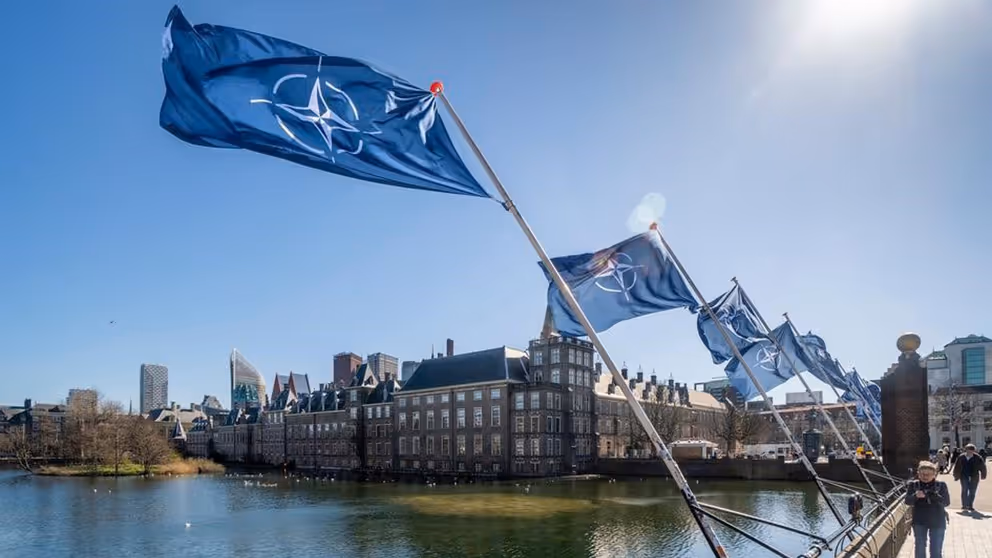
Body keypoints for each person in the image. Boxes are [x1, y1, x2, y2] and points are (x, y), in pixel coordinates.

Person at [905, 461, 949, 558]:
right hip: (919, 521)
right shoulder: (913, 485)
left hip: (938, 521)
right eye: (922, 474)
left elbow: (946, 502)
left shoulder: (941, 485)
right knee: (920, 548)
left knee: (936, 550)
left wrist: (934, 495)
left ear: (934, 474)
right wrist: (915, 496)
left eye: (928, 474)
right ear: (918, 474)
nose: (925, 476)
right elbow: (907, 501)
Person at [952, 443, 988, 511]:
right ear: (966, 450)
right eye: (968, 450)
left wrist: (983, 475)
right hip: (964, 476)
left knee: (972, 491)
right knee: (964, 490)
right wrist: (956, 475)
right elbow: (957, 467)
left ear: (974, 451)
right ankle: (964, 505)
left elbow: (983, 467)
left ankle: (970, 505)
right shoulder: (961, 457)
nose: (970, 452)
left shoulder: (978, 457)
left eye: (971, 450)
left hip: (974, 476)